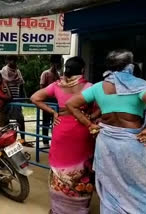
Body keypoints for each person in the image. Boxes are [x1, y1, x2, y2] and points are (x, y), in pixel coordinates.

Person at [66, 50, 146, 214]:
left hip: (106, 144)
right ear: (130, 65)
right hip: (132, 144)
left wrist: (89, 124)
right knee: (139, 187)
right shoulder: (140, 86)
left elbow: (71, 104)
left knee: (110, 187)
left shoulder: (98, 86)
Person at [31, 57, 97, 214]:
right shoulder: (90, 87)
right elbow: (102, 107)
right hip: (81, 130)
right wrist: (90, 118)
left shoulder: (56, 85)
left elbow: (34, 98)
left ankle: (58, 209)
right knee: (81, 169)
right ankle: (80, 209)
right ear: (82, 70)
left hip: (61, 128)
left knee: (60, 169)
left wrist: (54, 112)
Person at [1, 56, 27, 144]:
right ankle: (7, 139)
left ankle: (23, 138)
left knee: (20, 119)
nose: (13, 62)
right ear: (7, 60)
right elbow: (2, 84)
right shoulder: (3, 71)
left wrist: (24, 97)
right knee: (6, 120)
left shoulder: (17, 71)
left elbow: (21, 84)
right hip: (7, 99)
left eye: (14, 60)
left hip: (17, 98)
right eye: (11, 59)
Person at [40, 55, 62, 145]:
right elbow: (41, 87)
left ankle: (54, 139)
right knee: (46, 121)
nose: (56, 65)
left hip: (56, 102)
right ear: (52, 63)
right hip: (47, 101)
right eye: (55, 63)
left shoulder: (58, 75)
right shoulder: (45, 74)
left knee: (56, 121)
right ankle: (45, 140)